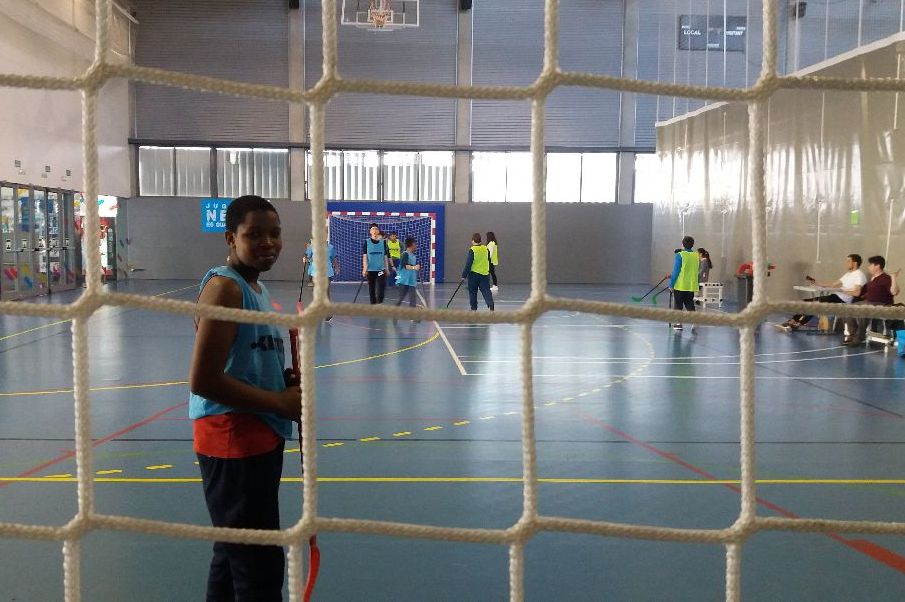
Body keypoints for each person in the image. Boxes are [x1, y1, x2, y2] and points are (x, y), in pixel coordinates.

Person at [188, 195, 301, 601]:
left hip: (258, 435)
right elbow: (204, 380)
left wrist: (281, 383)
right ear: (230, 238)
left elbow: (245, 360)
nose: (268, 242)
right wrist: (280, 403)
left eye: (275, 233)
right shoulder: (225, 288)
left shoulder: (256, 287)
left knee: (232, 555)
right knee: (259, 568)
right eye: (254, 234)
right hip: (232, 440)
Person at [778, 254, 867, 332]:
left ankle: (797, 324)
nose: (846, 263)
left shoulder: (859, 275)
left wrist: (841, 290)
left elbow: (857, 293)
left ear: (855, 263)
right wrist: (817, 283)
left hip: (843, 300)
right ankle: (793, 321)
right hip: (835, 296)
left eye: (848, 261)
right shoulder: (848, 274)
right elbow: (833, 284)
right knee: (805, 302)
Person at [843, 256, 900, 346]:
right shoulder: (872, 279)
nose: (868, 267)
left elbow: (894, 292)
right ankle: (852, 335)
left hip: (882, 304)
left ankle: (859, 337)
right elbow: (862, 292)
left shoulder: (886, 278)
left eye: (870, 265)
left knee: (863, 309)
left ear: (877, 266)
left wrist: (893, 278)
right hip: (868, 302)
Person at [303, 237, 340, 320]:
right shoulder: (312, 247)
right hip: (315, 273)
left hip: (327, 273)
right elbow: (307, 257)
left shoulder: (330, 247)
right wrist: (305, 259)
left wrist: (336, 267)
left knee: (326, 292)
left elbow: (333, 259)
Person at [669, 235, 699, 331]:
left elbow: (676, 271)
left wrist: (671, 284)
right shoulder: (696, 256)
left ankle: (678, 324)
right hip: (691, 285)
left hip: (680, 285)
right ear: (692, 244)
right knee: (689, 303)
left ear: (682, 244)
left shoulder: (680, 255)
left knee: (678, 304)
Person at [462, 233, 494, 311]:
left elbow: (468, 264)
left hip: (474, 275)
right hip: (484, 274)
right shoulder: (485, 249)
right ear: (480, 240)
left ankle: (474, 308)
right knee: (486, 291)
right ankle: (491, 305)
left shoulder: (472, 250)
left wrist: (464, 275)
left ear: (473, 241)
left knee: (473, 292)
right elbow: (489, 261)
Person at [361, 223, 391, 304]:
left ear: (378, 231)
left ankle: (379, 302)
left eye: (376, 229)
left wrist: (387, 268)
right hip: (370, 270)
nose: (374, 230)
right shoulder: (367, 242)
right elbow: (365, 256)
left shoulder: (383, 243)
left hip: (380, 270)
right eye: (373, 229)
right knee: (371, 289)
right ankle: (373, 306)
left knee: (381, 288)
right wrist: (364, 268)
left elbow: (385, 257)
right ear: (370, 232)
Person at [395, 237, 421, 315]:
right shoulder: (405, 254)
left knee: (413, 300)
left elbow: (413, 267)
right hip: (403, 280)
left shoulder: (413, 256)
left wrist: (416, 268)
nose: (416, 245)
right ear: (412, 244)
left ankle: (413, 316)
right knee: (400, 298)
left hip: (411, 281)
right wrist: (414, 267)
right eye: (415, 244)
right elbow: (405, 266)